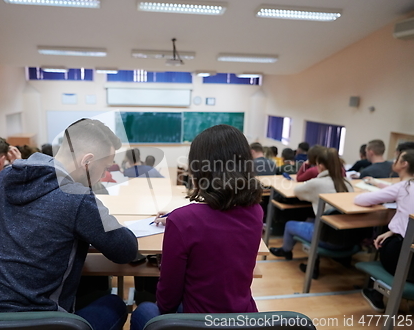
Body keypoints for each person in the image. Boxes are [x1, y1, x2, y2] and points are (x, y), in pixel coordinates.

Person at [0, 119, 138, 330]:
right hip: (37, 323)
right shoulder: (77, 198)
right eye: (103, 168)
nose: (103, 177)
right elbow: (126, 250)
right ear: (86, 161)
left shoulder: (2, 178)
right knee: (115, 304)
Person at [130, 125, 263, 330]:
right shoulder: (256, 212)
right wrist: (179, 218)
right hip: (242, 319)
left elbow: (167, 301)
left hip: (197, 323)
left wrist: (179, 221)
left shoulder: (184, 221)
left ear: (198, 168)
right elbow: (219, 219)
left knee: (143, 311)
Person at [270, 148, 354, 276]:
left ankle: (286, 251)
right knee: (310, 220)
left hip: (327, 238)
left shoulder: (317, 183)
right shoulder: (347, 183)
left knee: (290, 225)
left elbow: (297, 192)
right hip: (348, 239)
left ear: (319, 165)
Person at [354, 149, 414, 312]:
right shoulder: (405, 187)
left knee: (382, 241)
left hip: (404, 261)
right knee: (389, 234)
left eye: (397, 158)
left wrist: (392, 231)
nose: (393, 161)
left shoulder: (404, 187)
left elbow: (360, 200)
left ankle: (376, 293)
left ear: (404, 164)